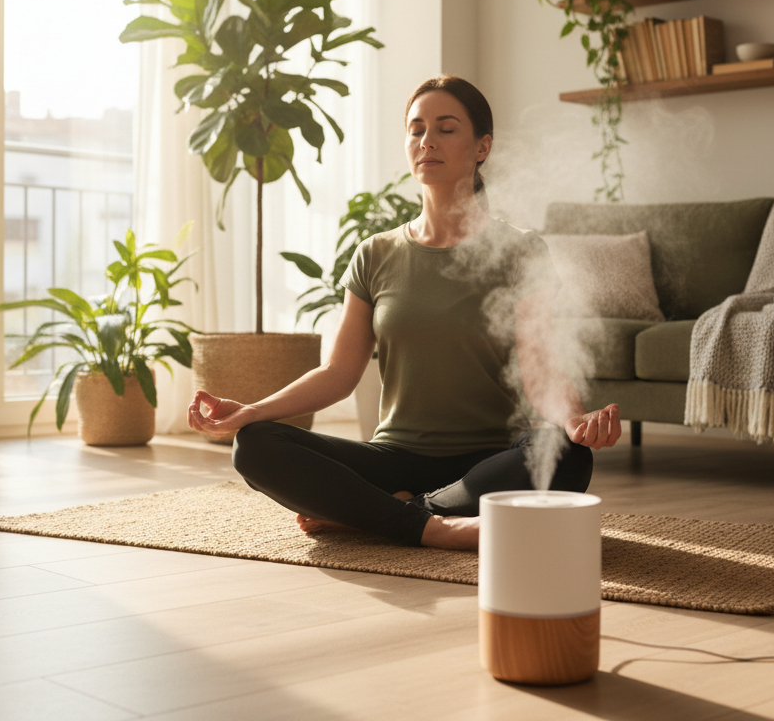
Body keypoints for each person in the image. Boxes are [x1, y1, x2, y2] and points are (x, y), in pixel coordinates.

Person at [188, 75, 621, 550]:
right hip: (391, 456)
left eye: (445, 128)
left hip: (487, 462)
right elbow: (338, 372)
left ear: (483, 146)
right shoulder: (376, 254)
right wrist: (251, 411)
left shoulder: (520, 251)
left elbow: (539, 372)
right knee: (254, 444)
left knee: (568, 454)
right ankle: (433, 525)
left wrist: (576, 420)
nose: (427, 141)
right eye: (416, 130)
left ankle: (376, 512)